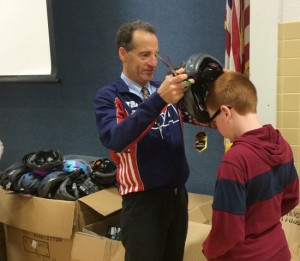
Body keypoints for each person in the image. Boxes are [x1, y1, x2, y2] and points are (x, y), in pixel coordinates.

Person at [94, 20, 194, 261]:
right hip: (142, 204)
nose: (152, 63)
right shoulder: (109, 96)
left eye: (156, 55)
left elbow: (203, 117)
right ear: (123, 54)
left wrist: (203, 83)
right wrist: (158, 100)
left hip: (177, 197)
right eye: (144, 55)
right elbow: (115, 139)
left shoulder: (165, 89)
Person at [202, 71, 299, 260]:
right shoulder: (281, 144)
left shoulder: (235, 160)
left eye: (214, 122)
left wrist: (208, 249)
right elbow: (292, 197)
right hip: (279, 250)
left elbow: (227, 232)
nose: (218, 129)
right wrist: (262, 221)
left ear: (226, 112)